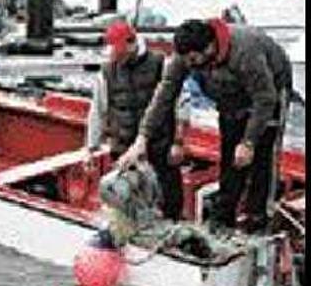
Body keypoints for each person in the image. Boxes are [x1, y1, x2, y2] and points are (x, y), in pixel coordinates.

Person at [119, 18, 292, 234]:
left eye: (192, 59)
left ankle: (259, 218)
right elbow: (165, 94)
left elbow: (265, 98)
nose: (189, 65)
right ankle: (223, 220)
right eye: (185, 60)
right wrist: (142, 139)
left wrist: (249, 141)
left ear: (209, 47)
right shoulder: (186, 57)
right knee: (230, 157)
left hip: (270, 92)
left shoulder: (245, 53)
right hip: (230, 99)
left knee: (262, 159)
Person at [85, 21, 185, 221]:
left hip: (160, 146)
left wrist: (178, 141)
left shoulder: (160, 64)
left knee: (169, 196)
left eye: (119, 52)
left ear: (131, 45)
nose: (116, 57)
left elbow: (180, 103)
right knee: (126, 200)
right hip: (124, 148)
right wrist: (91, 148)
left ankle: (170, 226)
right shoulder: (106, 73)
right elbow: (98, 111)